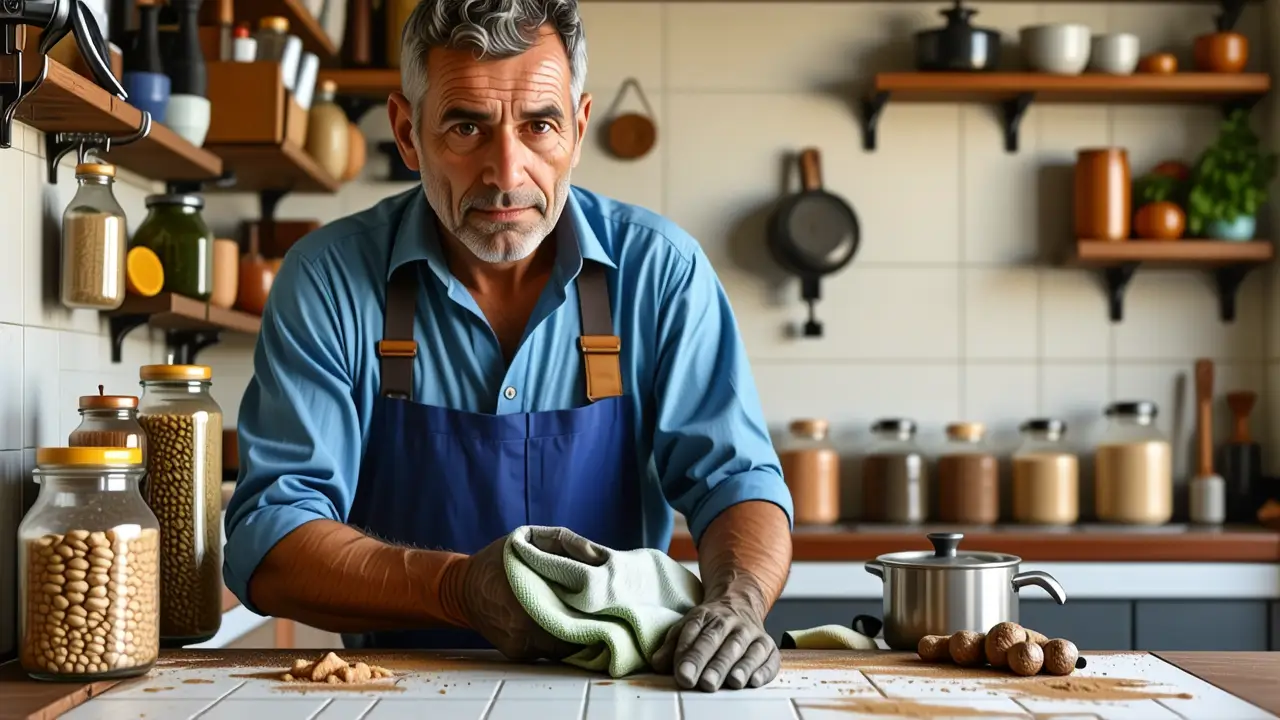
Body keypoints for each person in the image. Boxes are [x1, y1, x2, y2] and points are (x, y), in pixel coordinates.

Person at [222, 0, 795, 693]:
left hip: (620, 694)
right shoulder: (327, 280)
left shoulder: (661, 272)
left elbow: (736, 482)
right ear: (408, 132)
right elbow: (272, 540)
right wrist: (459, 589)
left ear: (579, 128)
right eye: (466, 126)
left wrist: (738, 599)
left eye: (539, 126)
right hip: (394, 693)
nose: (506, 173)